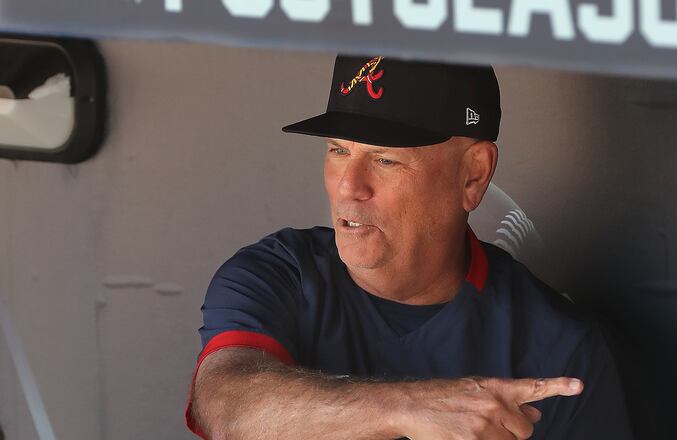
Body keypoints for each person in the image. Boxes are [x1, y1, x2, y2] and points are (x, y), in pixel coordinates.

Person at [185, 54, 633, 440]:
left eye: (384, 159)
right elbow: (227, 409)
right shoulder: (276, 274)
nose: (348, 186)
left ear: (473, 175)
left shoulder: (558, 350)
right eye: (338, 150)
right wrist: (407, 408)